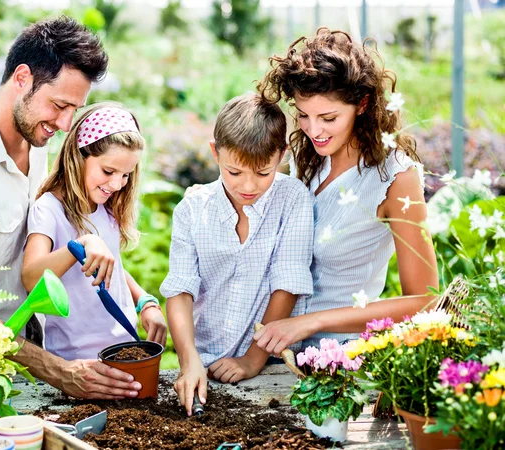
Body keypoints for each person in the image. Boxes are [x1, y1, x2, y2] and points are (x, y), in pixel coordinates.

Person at [0, 17, 142, 399]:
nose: (67, 124)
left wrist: (137, 295)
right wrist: (58, 371)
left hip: (29, 344)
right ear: (22, 78)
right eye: (60, 105)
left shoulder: (37, 139)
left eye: (75, 109)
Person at [253, 28, 438, 354]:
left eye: (328, 117)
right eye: (303, 115)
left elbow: (425, 302)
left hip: (341, 358)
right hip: (276, 351)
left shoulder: (395, 176)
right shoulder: (307, 158)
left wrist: (313, 322)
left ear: (363, 104)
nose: (313, 129)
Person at [161, 92, 314, 415]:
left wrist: (251, 359)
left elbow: (286, 283)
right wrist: (189, 361)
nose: (248, 186)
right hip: (204, 357)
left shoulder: (292, 199)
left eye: (262, 173)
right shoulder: (192, 209)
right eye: (234, 172)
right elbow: (180, 290)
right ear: (215, 153)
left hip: (272, 361)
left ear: (281, 154)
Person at [21, 102, 167, 363]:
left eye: (125, 175)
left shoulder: (106, 207)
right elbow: (31, 278)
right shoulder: (49, 210)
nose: (116, 184)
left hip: (123, 350)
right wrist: (81, 244)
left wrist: (145, 301)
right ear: (79, 156)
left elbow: (111, 268)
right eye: (108, 171)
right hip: (77, 361)